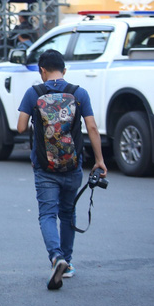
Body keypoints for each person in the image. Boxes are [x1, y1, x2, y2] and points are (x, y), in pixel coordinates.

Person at [16, 49, 107, 289]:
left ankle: (56, 257)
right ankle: (67, 261)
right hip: (72, 165)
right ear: (64, 70)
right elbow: (93, 128)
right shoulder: (79, 93)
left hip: (45, 167)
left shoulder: (33, 93)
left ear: (41, 70)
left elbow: (20, 126)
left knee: (47, 214)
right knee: (68, 213)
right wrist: (99, 160)